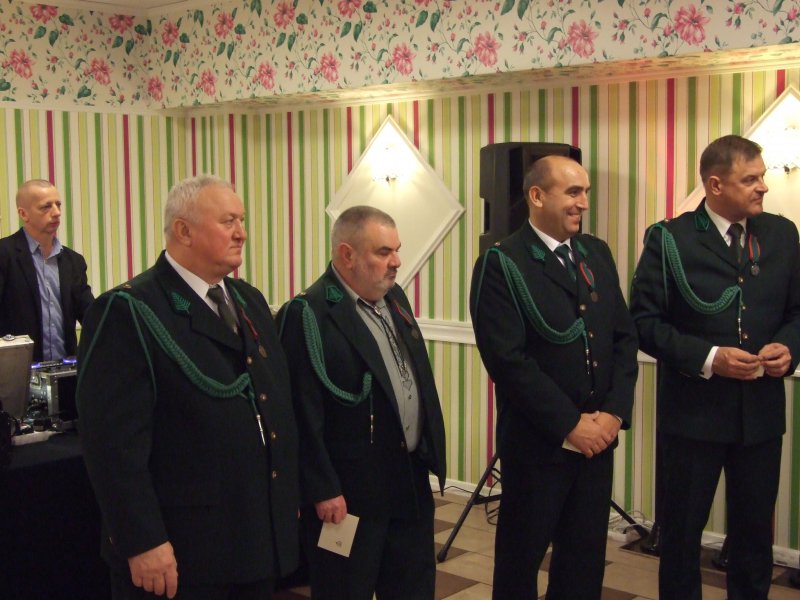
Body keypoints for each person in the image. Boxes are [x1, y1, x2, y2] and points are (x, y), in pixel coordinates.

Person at [76, 175, 299, 599]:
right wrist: (142, 540)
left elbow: (271, 405)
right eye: (228, 221)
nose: (241, 232)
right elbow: (112, 446)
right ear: (184, 230)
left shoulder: (248, 300)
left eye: (242, 220)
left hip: (253, 538)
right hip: (183, 550)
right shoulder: (129, 310)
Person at [629, 134, 800, 600]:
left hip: (760, 416)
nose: (763, 186)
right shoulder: (670, 239)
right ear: (716, 185)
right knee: (681, 536)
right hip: (693, 417)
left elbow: (796, 312)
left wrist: (789, 347)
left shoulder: (782, 234)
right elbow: (644, 323)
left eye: (763, 176)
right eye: (751, 179)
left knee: (754, 537)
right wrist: (710, 358)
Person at [469, 155, 639, 599]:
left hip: (597, 441)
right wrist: (570, 424)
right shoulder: (502, 262)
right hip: (538, 445)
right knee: (520, 562)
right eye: (573, 192)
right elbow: (508, 361)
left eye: (585, 192)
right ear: (537, 195)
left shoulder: (595, 253)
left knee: (583, 562)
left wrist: (613, 414)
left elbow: (623, 339)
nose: (583, 203)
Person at [277, 205, 446, 600]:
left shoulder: (394, 298)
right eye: (383, 252)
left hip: (408, 478)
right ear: (346, 254)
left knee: (413, 586)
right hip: (349, 495)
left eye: (397, 250)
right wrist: (321, 488)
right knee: (346, 590)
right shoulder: (308, 314)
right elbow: (300, 414)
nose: (396, 262)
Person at [0, 179, 94, 362]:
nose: (57, 212)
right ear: (24, 214)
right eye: (46, 207)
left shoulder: (73, 261)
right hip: (17, 372)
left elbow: (91, 315)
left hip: (66, 372)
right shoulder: (4, 255)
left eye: (58, 205)